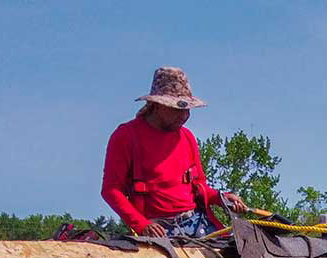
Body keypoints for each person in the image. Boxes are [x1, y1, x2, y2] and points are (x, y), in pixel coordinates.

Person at [101, 67, 247, 240]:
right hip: (157, 229)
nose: (185, 115)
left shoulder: (187, 138)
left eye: (188, 109)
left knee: (243, 253)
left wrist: (222, 198)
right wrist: (141, 225)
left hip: (197, 223)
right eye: (178, 109)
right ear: (157, 105)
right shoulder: (125, 137)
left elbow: (200, 189)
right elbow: (111, 191)